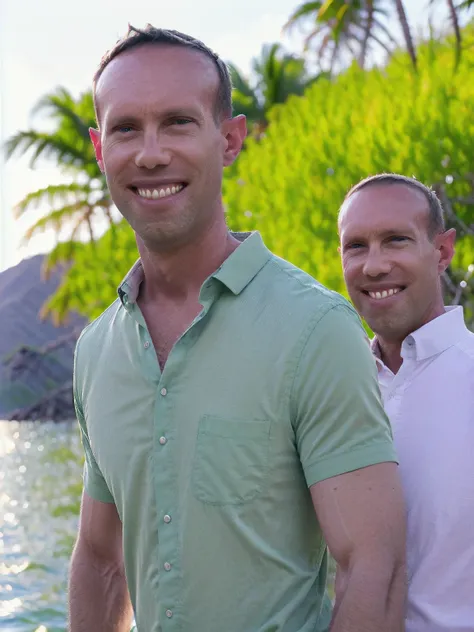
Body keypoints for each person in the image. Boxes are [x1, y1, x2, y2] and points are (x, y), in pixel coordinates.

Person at [69, 25, 406, 632]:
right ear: (99, 149)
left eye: (177, 122)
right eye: (126, 128)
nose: (150, 153)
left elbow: (372, 570)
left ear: (228, 140)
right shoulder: (96, 351)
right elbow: (101, 562)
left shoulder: (316, 329)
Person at [339, 173, 474, 632]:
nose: (374, 266)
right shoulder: (331, 393)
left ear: (442, 251)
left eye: (395, 240)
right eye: (355, 246)